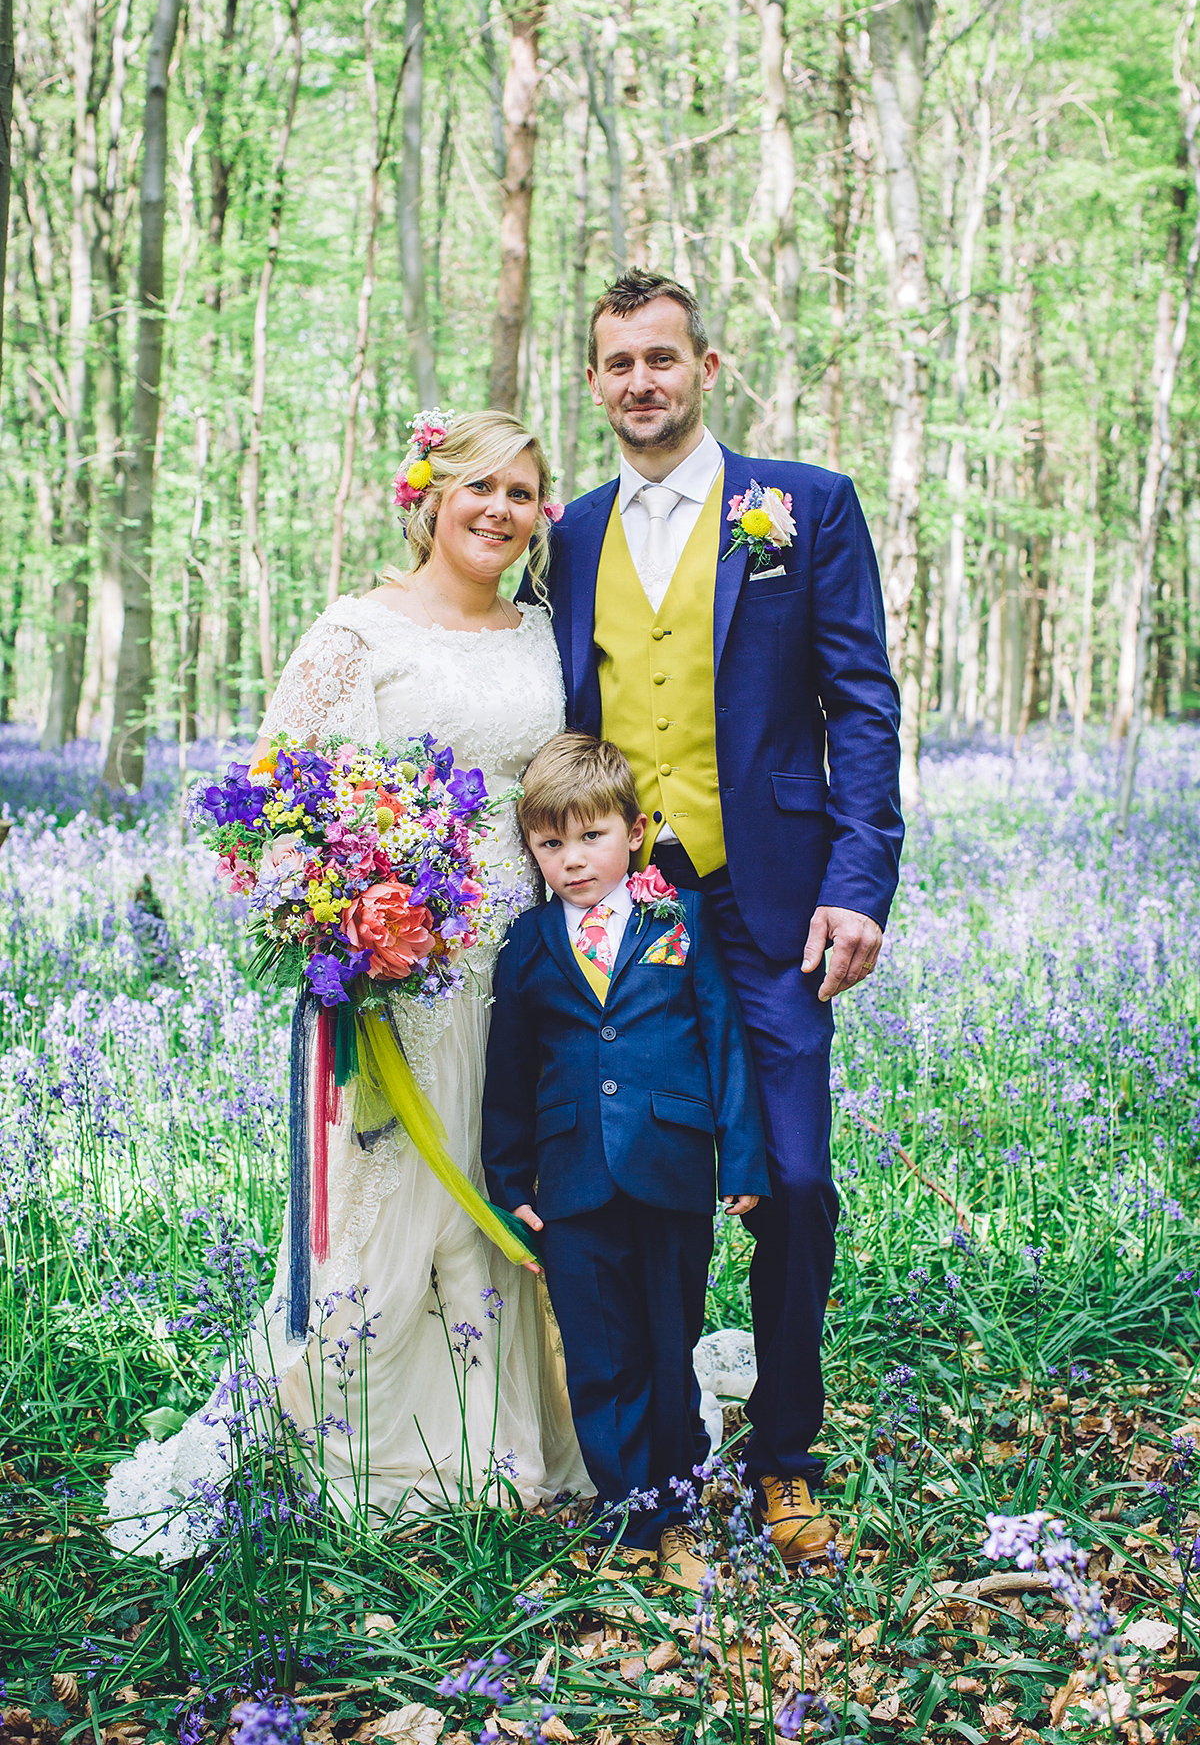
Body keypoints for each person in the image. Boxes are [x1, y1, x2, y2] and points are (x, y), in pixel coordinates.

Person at [105, 411, 589, 1560]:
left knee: (506, 1177)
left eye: (523, 493)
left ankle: (515, 1442)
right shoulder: (355, 633)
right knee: (388, 1196)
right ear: (427, 494)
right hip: (396, 972)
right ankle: (360, 1448)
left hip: (526, 968)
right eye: (478, 487)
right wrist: (343, 915)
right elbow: (270, 804)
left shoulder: (546, 634)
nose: (498, 511)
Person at [526, 270, 904, 1566]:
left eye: (663, 358)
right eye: (619, 362)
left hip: (776, 902)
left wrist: (861, 879)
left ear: (707, 365)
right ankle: (665, 1471)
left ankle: (786, 1457)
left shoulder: (799, 507)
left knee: (793, 1180)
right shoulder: (570, 535)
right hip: (632, 917)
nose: (643, 381)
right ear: (594, 382)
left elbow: (860, 701)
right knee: (656, 1189)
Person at [481, 733, 770, 1591]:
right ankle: (631, 1510)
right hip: (569, 1181)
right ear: (531, 849)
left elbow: (723, 1038)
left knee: (666, 1338)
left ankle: (678, 1506)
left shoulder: (680, 920)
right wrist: (507, 1183)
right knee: (601, 1356)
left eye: (591, 838)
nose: (572, 862)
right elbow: (508, 1073)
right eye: (550, 844)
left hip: (672, 1166)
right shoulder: (528, 943)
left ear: (636, 830)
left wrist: (744, 1161)